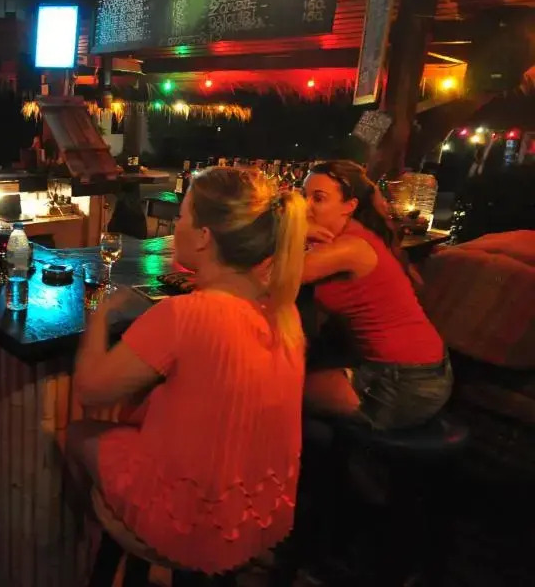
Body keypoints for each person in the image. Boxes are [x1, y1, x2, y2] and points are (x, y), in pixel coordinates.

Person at [65, 166, 308, 574]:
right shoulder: (284, 313)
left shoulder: (186, 314)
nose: (176, 225)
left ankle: (79, 547)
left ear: (203, 237)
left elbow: (90, 389)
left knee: (77, 433)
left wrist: (101, 315)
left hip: (188, 523)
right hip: (257, 515)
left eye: (182, 216)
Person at [301, 160, 451, 430]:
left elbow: (275, 277)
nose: (304, 206)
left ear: (349, 206)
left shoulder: (351, 247)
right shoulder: (347, 236)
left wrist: (294, 229)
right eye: (303, 196)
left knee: (283, 388)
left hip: (405, 381)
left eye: (318, 198)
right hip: (422, 369)